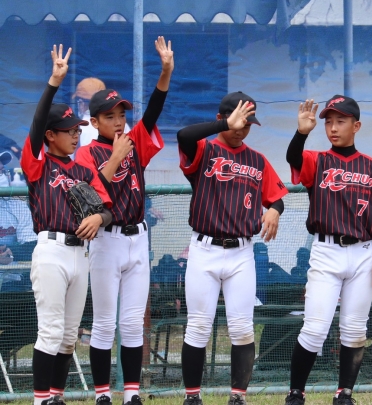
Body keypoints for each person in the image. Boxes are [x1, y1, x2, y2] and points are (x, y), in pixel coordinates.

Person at [74, 37, 174, 405]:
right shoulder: (86, 153)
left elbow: (153, 112)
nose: (118, 121)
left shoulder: (133, 141)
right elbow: (90, 193)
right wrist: (115, 157)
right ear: (94, 121)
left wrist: (165, 72)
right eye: (110, 116)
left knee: (132, 322)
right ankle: (102, 394)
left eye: (121, 115)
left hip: (137, 238)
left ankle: (131, 393)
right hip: (106, 241)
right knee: (104, 322)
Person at [176, 92, 287, 405]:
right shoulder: (205, 149)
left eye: (248, 124)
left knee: (242, 328)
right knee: (198, 326)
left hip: (241, 253)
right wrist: (225, 124)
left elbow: (277, 196)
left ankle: (238, 397)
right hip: (204, 250)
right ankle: (192, 397)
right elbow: (183, 135)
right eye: (238, 122)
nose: (242, 129)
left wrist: (275, 209)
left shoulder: (257, 160)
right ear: (220, 119)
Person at [284, 97, 372, 405]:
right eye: (328, 122)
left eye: (341, 121)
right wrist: (301, 133)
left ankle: (344, 393)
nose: (333, 127)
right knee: (315, 328)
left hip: (363, 252)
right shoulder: (317, 160)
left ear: (356, 126)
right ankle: (296, 392)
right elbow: (293, 157)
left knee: (355, 329)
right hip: (326, 251)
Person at [19, 44, 112, 405]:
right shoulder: (37, 164)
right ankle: (41, 399)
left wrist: (98, 217)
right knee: (51, 331)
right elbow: (36, 123)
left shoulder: (83, 169)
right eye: (69, 130)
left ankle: (55, 396)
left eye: (77, 129)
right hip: (51, 251)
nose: (76, 134)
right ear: (50, 135)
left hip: (80, 254)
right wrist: (54, 82)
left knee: (70, 335)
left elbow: (107, 209)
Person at [73, 77, 130, 147]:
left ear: (81, 103)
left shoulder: (85, 127)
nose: (118, 123)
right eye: (110, 117)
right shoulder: (124, 125)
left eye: (122, 116)